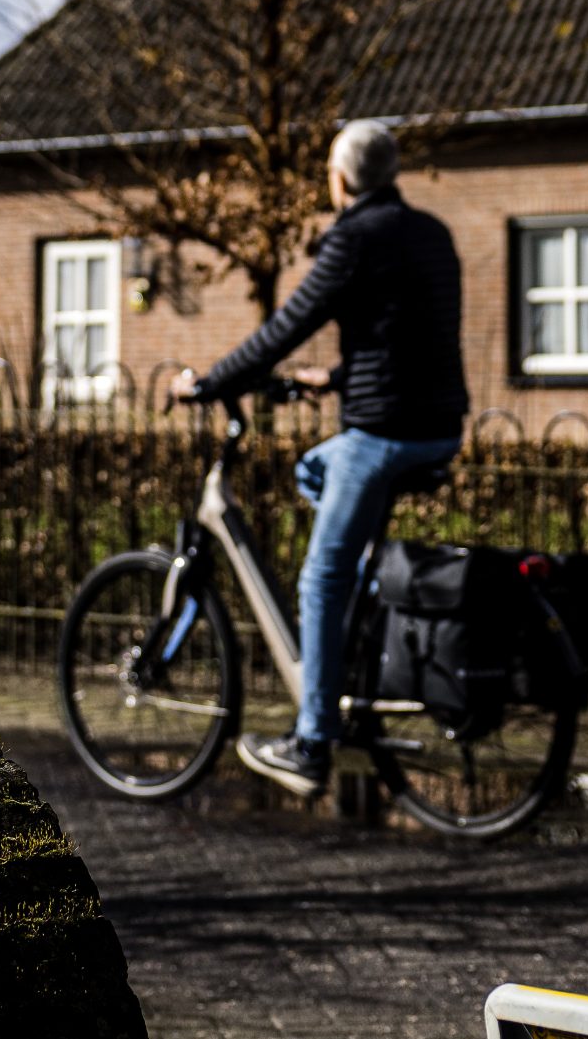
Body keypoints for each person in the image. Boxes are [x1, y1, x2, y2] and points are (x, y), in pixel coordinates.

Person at [168, 119, 468, 795]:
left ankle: (310, 745)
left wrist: (210, 383)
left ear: (338, 180)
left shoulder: (354, 237)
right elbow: (411, 335)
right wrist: (334, 379)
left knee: (319, 576)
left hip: (384, 433)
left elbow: (284, 326)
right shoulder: (431, 233)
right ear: (389, 173)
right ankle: (362, 617)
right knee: (312, 467)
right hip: (439, 425)